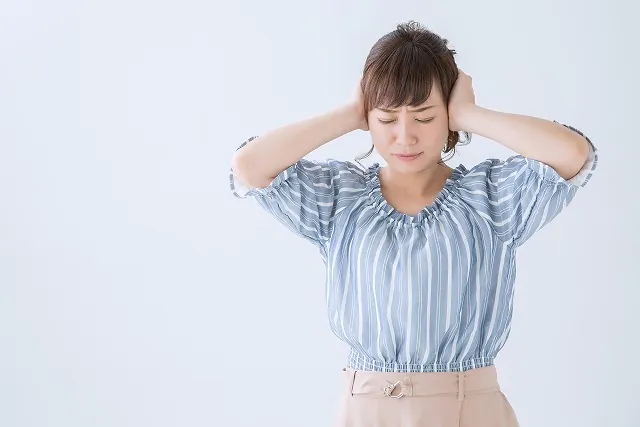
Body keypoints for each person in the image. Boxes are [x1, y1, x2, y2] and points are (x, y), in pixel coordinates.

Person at [228, 20, 597, 427]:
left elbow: (571, 154)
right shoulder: (339, 198)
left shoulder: (489, 198)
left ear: (448, 118)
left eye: (424, 118)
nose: (405, 138)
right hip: (367, 408)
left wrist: (470, 113)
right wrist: (350, 114)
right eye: (387, 119)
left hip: (469, 407)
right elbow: (249, 166)